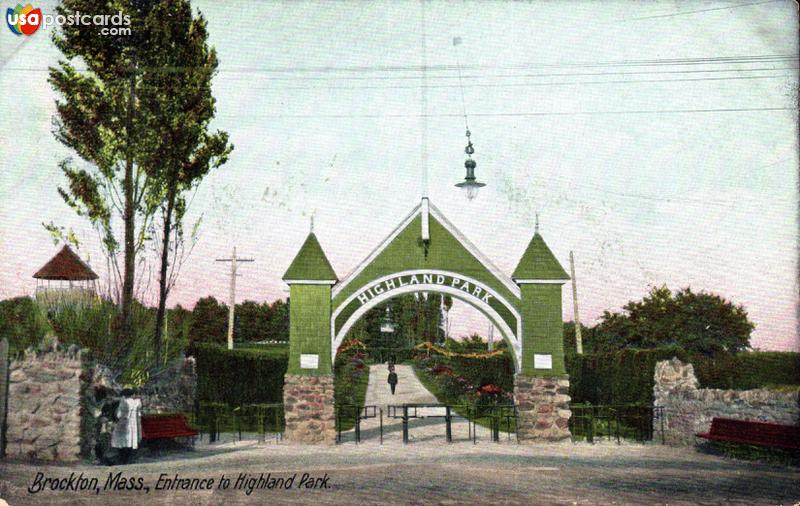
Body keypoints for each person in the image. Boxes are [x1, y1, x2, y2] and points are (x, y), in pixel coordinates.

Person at [111, 389, 142, 464]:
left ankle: (123, 459)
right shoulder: (137, 402)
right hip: (134, 424)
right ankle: (129, 459)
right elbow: (139, 414)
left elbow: (118, 414)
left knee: (121, 440)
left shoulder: (124, 402)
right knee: (132, 440)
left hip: (124, 423)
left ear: (124, 396)